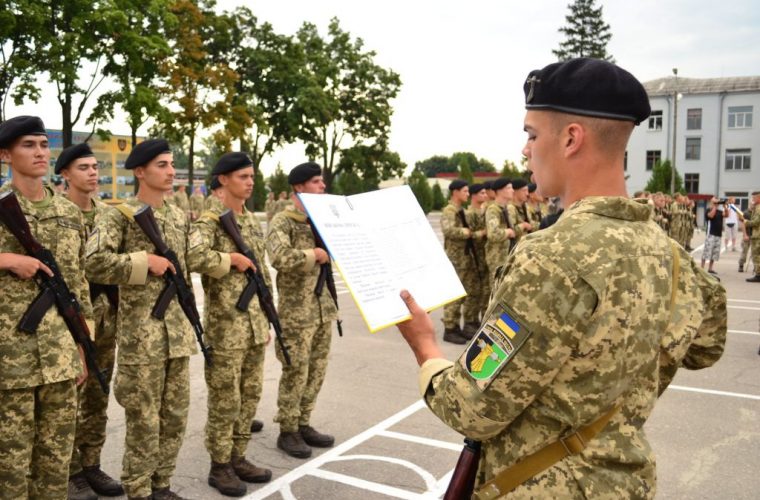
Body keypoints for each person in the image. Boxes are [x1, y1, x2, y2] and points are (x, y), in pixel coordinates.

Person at [395, 58, 726, 498]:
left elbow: (471, 407)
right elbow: (706, 347)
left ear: (571, 138)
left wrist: (425, 346)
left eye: (531, 134)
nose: (525, 151)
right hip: (624, 482)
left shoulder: (551, 256)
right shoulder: (670, 254)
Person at [86, 139, 197, 500]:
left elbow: (183, 274)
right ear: (139, 172)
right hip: (141, 338)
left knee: (176, 416)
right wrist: (141, 262)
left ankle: (161, 484)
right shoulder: (119, 215)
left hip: (177, 334)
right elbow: (92, 261)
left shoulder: (178, 215)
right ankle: (138, 490)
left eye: (171, 164)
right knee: (144, 421)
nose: (169, 171)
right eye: (162, 165)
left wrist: (193, 323)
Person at [0, 116, 91, 498]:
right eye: (27, 145)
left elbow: (78, 283)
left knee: (55, 464)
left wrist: (84, 347)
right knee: (11, 467)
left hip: (60, 356)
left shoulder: (69, 212)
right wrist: (5, 259)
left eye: (42, 144)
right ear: (5, 154)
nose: (39, 152)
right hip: (10, 358)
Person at [188, 152, 272, 496]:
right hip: (226, 327)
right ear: (223, 180)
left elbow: (263, 272)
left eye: (252, 176)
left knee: (249, 395)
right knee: (225, 399)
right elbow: (192, 256)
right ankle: (219, 465)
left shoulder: (249, 220)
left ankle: (239, 456)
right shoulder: (209, 220)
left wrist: (267, 317)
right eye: (243, 176)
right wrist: (228, 259)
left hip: (253, 324)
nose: (250, 182)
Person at [56, 143, 124, 500]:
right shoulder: (55, 213)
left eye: (95, 167)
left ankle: (91, 464)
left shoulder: (107, 214)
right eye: (84, 167)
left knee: (98, 393)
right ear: (65, 174)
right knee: (68, 399)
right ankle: (68, 471)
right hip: (68, 322)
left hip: (106, 319)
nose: (93, 173)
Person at [266, 162, 337, 459]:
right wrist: (313, 255)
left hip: (323, 308)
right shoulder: (284, 221)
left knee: (317, 369)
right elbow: (278, 257)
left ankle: (304, 421)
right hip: (297, 312)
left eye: (322, 182)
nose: (322, 186)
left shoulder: (322, 221)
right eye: (316, 182)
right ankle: (288, 429)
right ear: (299, 187)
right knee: (296, 371)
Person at [440, 180, 480, 344]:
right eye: (464, 191)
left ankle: (457, 326)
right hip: (455, 259)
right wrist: (465, 232)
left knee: (463, 293)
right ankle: (450, 328)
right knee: (454, 295)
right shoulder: (449, 211)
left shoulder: (460, 210)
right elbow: (448, 230)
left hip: (464, 258)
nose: (467, 194)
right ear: (455, 192)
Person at [484, 178, 517, 281]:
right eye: (509, 188)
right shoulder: (493, 209)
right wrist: (507, 232)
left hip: (507, 255)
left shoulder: (506, 208)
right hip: (497, 258)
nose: (512, 190)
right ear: (499, 191)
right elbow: (493, 234)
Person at [466, 183, 490, 322]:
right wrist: (483, 233)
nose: (485, 195)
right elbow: (469, 235)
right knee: (473, 290)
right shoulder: (470, 214)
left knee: (483, 290)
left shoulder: (484, 211)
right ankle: (470, 320)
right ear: (474, 195)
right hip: (472, 256)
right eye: (482, 193)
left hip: (483, 255)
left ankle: (479, 320)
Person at [701, 197, 729, 274]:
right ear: (711, 202)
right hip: (711, 234)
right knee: (707, 251)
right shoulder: (708, 210)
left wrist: (725, 207)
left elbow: (726, 215)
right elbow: (711, 216)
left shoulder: (720, 211)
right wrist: (715, 206)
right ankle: (702, 268)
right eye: (714, 201)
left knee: (714, 253)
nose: (716, 202)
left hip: (718, 234)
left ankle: (710, 268)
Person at [745, 190, 760, 282]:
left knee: (756, 256)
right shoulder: (756, 208)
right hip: (757, 235)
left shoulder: (759, 209)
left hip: (758, 236)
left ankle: (758, 275)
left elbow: (756, 222)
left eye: (754, 198)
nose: (752, 200)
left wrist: (747, 222)